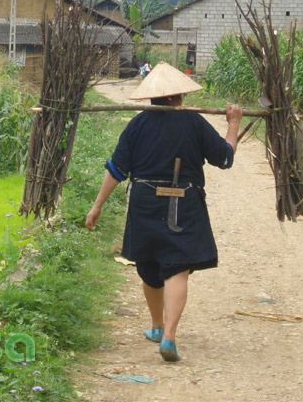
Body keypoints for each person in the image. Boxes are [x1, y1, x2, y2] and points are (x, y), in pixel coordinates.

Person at [85, 62, 243, 362]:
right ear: (180, 96)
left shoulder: (138, 125)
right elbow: (225, 159)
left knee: (148, 265)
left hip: (145, 200)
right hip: (185, 201)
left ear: (152, 98)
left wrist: (97, 206)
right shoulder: (194, 123)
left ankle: (157, 326)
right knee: (176, 267)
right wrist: (233, 123)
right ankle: (168, 335)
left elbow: (116, 170)